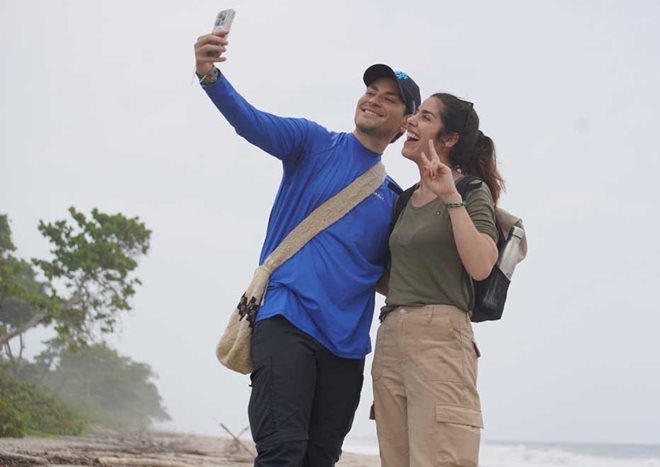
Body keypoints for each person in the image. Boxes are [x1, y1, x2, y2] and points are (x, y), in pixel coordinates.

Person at [193, 29, 421, 466]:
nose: (373, 99)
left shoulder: (395, 198)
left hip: (347, 348)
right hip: (286, 320)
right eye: (370, 90)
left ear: (404, 123)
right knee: (282, 452)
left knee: (319, 459)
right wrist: (209, 75)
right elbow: (249, 121)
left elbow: (403, 272)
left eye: (390, 98)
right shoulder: (312, 144)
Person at [372, 92, 503, 467]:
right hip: (392, 335)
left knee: (442, 459)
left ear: (450, 139)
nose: (411, 121)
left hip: (440, 339)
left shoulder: (469, 191)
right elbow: (396, 278)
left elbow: (481, 265)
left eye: (425, 117)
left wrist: (450, 197)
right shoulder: (403, 199)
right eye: (414, 115)